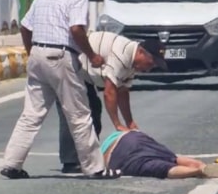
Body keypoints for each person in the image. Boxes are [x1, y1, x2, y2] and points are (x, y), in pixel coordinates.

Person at [0, 0, 119, 180]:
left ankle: (12, 163)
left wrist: (32, 52)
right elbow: (76, 29)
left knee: (31, 114)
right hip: (61, 56)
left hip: (37, 55)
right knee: (80, 114)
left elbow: (26, 27)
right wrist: (92, 56)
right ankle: (95, 167)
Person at [58, 32, 168, 173]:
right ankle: (71, 162)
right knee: (75, 112)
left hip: (87, 75)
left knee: (94, 111)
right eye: (151, 63)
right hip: (72, 66)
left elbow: (122, 92)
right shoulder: (121, 54)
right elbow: (110, 92)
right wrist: (117, 124)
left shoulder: (132, 64)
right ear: (141, 52)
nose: (150, 68)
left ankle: (88, 158)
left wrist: (130, 123)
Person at [101, 130, 218, 179]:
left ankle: (200, 170)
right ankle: (201, 165)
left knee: (161, 168)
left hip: (116, 156)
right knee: (172, 157)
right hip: (130, 136)